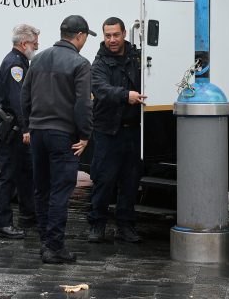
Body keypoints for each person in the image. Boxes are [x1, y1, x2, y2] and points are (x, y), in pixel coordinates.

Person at [22, 15, 95, 264]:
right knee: (60, 191)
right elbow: (83, 104)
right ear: (80, 36)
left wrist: (29, 124)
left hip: (38, 133)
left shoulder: (38, 59)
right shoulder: (80, 63)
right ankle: (54, 247)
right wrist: (85, 135)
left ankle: (45, 242)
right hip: (63, 135)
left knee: (41, 189)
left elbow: (25, 95)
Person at [87, 17, 146, 244]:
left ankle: (125, 226)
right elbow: (101, 89)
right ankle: (97, 225)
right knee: (104, 180)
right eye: (108, 35)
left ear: (124, 34)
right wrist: (125, 95)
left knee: (131, 182)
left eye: (116, 35)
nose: (112, 40)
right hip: (107, 131)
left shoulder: (137, 58)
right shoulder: (99, 63)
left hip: (133, 131)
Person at [0, 24, 40, 240]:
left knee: (25, 173)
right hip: (12, 130)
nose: (36, 47)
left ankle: (28, 215)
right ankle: (1, 225)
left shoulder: (20, 61)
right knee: (9, 177)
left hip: (15, 130)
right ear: (24, 43)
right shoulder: (15, 65)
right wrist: (27, 128)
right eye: (34, 44)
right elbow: (18, 101)